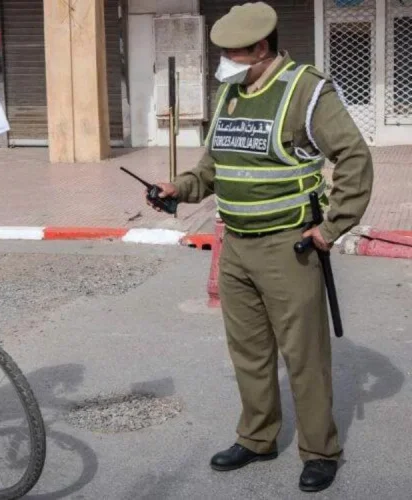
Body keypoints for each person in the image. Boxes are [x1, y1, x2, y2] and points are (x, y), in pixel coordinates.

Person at [148, 2, 373, 493]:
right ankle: (257, 437)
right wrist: (179, 187)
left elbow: (354, 157)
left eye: (232, 53)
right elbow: (215, 166)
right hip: (236, 246)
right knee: (248, 352)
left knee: (304, 356)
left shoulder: (305, 90)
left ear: (261, 49)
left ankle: (319, 450)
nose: (223, 62)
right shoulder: (231, 92)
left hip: (287, 247)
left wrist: (331, 229)